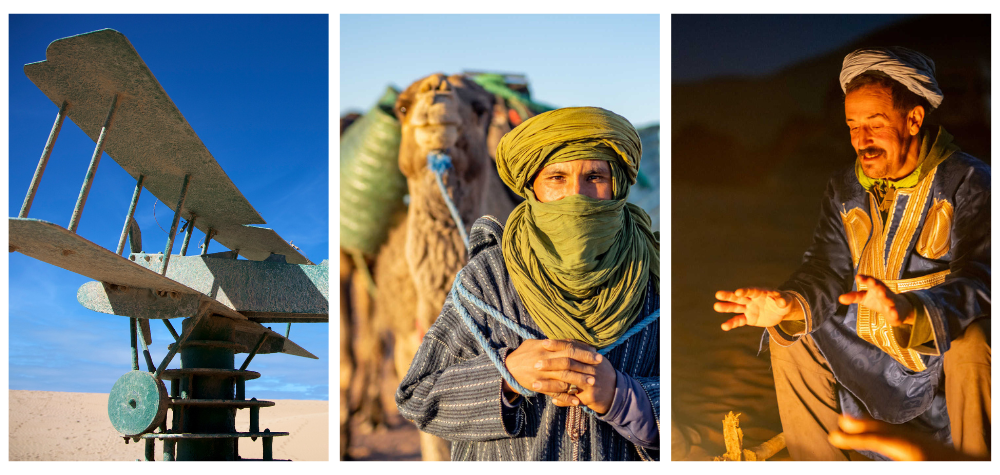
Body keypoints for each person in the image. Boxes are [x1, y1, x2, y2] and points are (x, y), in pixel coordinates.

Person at [713, 46, 990, 461]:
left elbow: (983, 277)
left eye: (875, 124)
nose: (861, 139)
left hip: (941, 361)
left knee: (975, 341)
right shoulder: (846, 188)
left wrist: (912, 311)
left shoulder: (969, 181)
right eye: (852, 125)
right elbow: (826, 265)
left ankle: (976, 463)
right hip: (873, 354)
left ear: (914, 119)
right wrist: (788, 302)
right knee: (792, 332)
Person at [396, 107, 660, 461]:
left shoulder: (654, 277)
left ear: (618, 185)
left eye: (595, 176)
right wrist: (506, 377)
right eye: (556, 178)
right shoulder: (488, 278)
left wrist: (623, 398)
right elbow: (417, 396)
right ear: (532, 187)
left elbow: (693, 406)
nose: (575, 195)